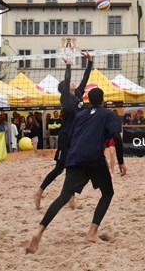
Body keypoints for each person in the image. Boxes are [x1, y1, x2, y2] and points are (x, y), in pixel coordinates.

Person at [26, 87, 127, 254]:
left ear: (88, 100)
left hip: (75, 156)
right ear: (103, 100)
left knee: (64, 196)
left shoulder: (81, 115)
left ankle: (39, 231)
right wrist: (121, 162)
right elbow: (116, 137)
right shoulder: (109, 114)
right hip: (94, 158)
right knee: (107, 193)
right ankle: (92, 233)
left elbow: (71, 136)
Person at [33, 51, 93, 210]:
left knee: (74, 167)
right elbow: (67, 81)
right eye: (69, 84)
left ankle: (71, 198)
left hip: (77, 137)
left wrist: (90, 62)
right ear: (65, 89)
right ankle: (39, 192)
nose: (73, 84)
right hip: (66, 137)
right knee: (59, 169)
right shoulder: (65, 98)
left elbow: (85, 79)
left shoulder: (78, 94)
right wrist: (68, 65)